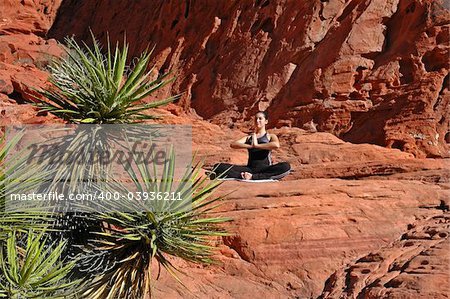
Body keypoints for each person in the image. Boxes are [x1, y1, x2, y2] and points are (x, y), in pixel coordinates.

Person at [210, 111, 291, 180]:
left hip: (265, 169)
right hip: (250, 168)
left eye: (260, 118)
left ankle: (253, 177)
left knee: (285, 166)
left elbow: (276, 145)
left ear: (266, 121)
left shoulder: (270, 136)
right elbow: (233, 144)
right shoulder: (249, 137)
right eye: (256, 119)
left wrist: (257, 145)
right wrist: (250, 146)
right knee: (218, 166)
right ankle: (243, 176)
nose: (257, 121)